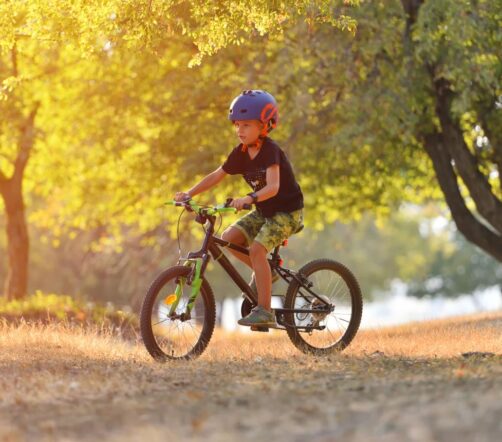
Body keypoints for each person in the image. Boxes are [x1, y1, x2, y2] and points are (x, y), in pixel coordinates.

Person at [174, 90, 304, 328]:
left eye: (246, 125)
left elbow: (273, 187)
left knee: (256, 251)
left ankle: (265, 311)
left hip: (287, 213)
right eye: (237, 125)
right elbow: (217, 175)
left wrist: (249, 198)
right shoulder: (241, 153)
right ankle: (266, 273)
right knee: (228, 238)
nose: (240, 130)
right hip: (264, 211)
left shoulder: (270, 151)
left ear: (264, 126)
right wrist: (189, 194)